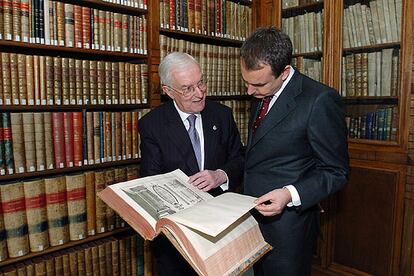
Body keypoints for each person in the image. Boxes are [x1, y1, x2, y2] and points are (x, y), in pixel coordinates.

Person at [240, 26, 350, 275]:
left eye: (257, 84)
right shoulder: (262, 91)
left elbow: (336, 171)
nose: (249, 92)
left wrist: (289, 194)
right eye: (245, 82)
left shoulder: (319, 100)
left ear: (285, 72)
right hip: (254, 220)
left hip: (289, 229)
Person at [139, 52, 244, 275]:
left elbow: (240, 158)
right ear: (168, 91)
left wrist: (221, 175)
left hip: (219, 229)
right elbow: (150, 179)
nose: (199, 93)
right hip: (177, 236)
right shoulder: (152, 125)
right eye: (187, 88)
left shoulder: (222, 115)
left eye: (201, 83)